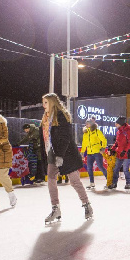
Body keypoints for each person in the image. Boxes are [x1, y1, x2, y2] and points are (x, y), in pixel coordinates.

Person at [40, 93, 93, 224]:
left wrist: (60, 155)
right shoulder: (45, 118)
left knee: (75, 181)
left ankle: (87, 205)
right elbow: (44, 138)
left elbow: (66, 137)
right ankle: (55, 209)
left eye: (46, 102)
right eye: (43, 102)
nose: (43, 105)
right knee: (51, 180)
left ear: (52, 102)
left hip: (66, 153)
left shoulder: (61, 116)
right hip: (52, 153)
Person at [108, 116, 130, 190]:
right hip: (120, 152)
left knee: (125, 169)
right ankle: (114, 183)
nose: (115, 125)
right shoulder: (119, 131)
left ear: (120, 124)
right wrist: (112, 149)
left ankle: (128, 183)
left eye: (116, 124)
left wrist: (125, 151)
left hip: (127, 153)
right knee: (116, 169)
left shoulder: (128, 131)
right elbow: (117, 142)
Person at [81, 117, 107, 190]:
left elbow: (104, 140)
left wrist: (102, 148)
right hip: (89, 153)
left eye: (88, 123)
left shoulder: (97, 131)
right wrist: (82, 152)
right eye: (86, 123)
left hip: (97, 152)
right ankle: (91, 183)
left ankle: (109, 180)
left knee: (100, 166)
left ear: (91, 124)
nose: (86, 124)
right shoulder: (86, 133)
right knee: (89, 168)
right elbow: (84, 144)